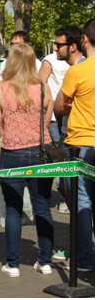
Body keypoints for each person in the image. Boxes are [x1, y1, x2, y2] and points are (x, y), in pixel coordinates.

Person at [0, 43, 55, 277]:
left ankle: (13, 263)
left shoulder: (2, 88)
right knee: (42, 207)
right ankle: (45, 261)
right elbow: (47, 122)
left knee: (13, 209)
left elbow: (0, 126)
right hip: (41, 153)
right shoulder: (42, 88)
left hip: (12, 153)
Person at [54, 18, 95, 273]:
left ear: (85, 40)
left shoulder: (78, 71)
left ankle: (84, 260)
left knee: (82, 201)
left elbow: (59, 106)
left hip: (81, 144)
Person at [40, 26, 83, 216]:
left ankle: (82, 244)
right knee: (70, 188)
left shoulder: (78, 70)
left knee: (79, 193)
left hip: (78, 137)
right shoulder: (74, 67)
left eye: (58, 44)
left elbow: (59, 106)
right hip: (68, 133)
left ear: (73, 46)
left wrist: (67, 105)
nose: (55, 48)